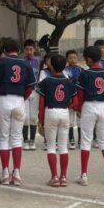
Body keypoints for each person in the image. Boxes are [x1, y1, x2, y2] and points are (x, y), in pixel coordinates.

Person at [0, 39, 35, 186]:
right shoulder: (26, 63)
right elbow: (30, 87)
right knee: (16, 138)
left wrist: (1, 93)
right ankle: (16, 173)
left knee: (4, 138)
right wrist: (22, 98)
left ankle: (5, 173)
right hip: (19, 100)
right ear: (19, 50)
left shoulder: (1, 61)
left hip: (4, 99)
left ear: (5, 50)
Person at [74, 45, 104, 186]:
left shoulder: (85, 74)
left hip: (89, 106)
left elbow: (80, 95)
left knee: (86, 141)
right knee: (103, 140)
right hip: (103, 107)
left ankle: (84, 175)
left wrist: (79, 109)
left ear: (89, 59)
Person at [36, 54, 76, 187]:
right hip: (64, 112)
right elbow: (75, 101)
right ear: (64, 66)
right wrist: (66, 107)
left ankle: (54, 177)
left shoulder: (46, 81)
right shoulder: (68, 81)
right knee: (63, 147)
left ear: (51, 66)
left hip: (50, 112)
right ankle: (63, 177)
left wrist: (40, 120)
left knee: (51, 147)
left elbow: (41, 103)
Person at [22, 39, 41, 150]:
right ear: (24, 50)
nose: (29, 51)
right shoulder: (21, 61)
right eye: (27, 49)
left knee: (33, 117)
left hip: (35, 91)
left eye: (31, 49)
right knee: (25, 117)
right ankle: (25, 140)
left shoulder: (39, 62)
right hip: (24, 92)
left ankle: (32, 140)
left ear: (34, 49)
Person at [63, 49, 82, 150]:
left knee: (80, 120)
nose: (73, 60)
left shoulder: (81, 70)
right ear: (67, 59)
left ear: (77, 58)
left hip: (79, 97)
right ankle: (71, 139)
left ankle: (80, 140)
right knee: (70, 121)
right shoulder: (64, 70)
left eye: (74, 57)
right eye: (70, 58)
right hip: (69, 97)